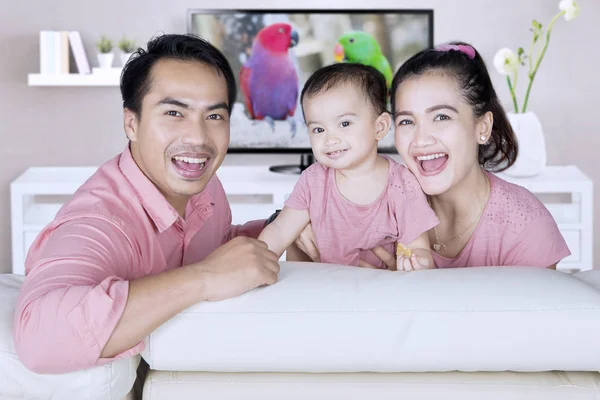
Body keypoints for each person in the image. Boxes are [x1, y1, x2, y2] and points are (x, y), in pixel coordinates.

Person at [13, 34, 281, 374]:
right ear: (131, 122)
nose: (198, 138)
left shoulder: (204, 184)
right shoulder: (101, 220)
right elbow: (39, 340)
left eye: (214, 117)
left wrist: (283, 225)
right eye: (174, 112)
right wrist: (204, 278)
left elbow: (213, 243)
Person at [290, 42, 570, 270]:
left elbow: (528, 334)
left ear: (482, 127)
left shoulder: (525, 228)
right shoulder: (378, 195)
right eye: (407, 121)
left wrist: (404, 291)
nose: (422, 139)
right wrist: (293, 229)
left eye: (442, 116)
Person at [258, 63, 439, 270]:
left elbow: (417, 246)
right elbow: (280, 230)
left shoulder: (401, 183)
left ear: (379, 127)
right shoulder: (313, 180)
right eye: (318, 129)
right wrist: (258, 257)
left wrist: (417, 260)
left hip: (383, 293)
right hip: (329, 291)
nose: (330, 139)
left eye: (344, 124)